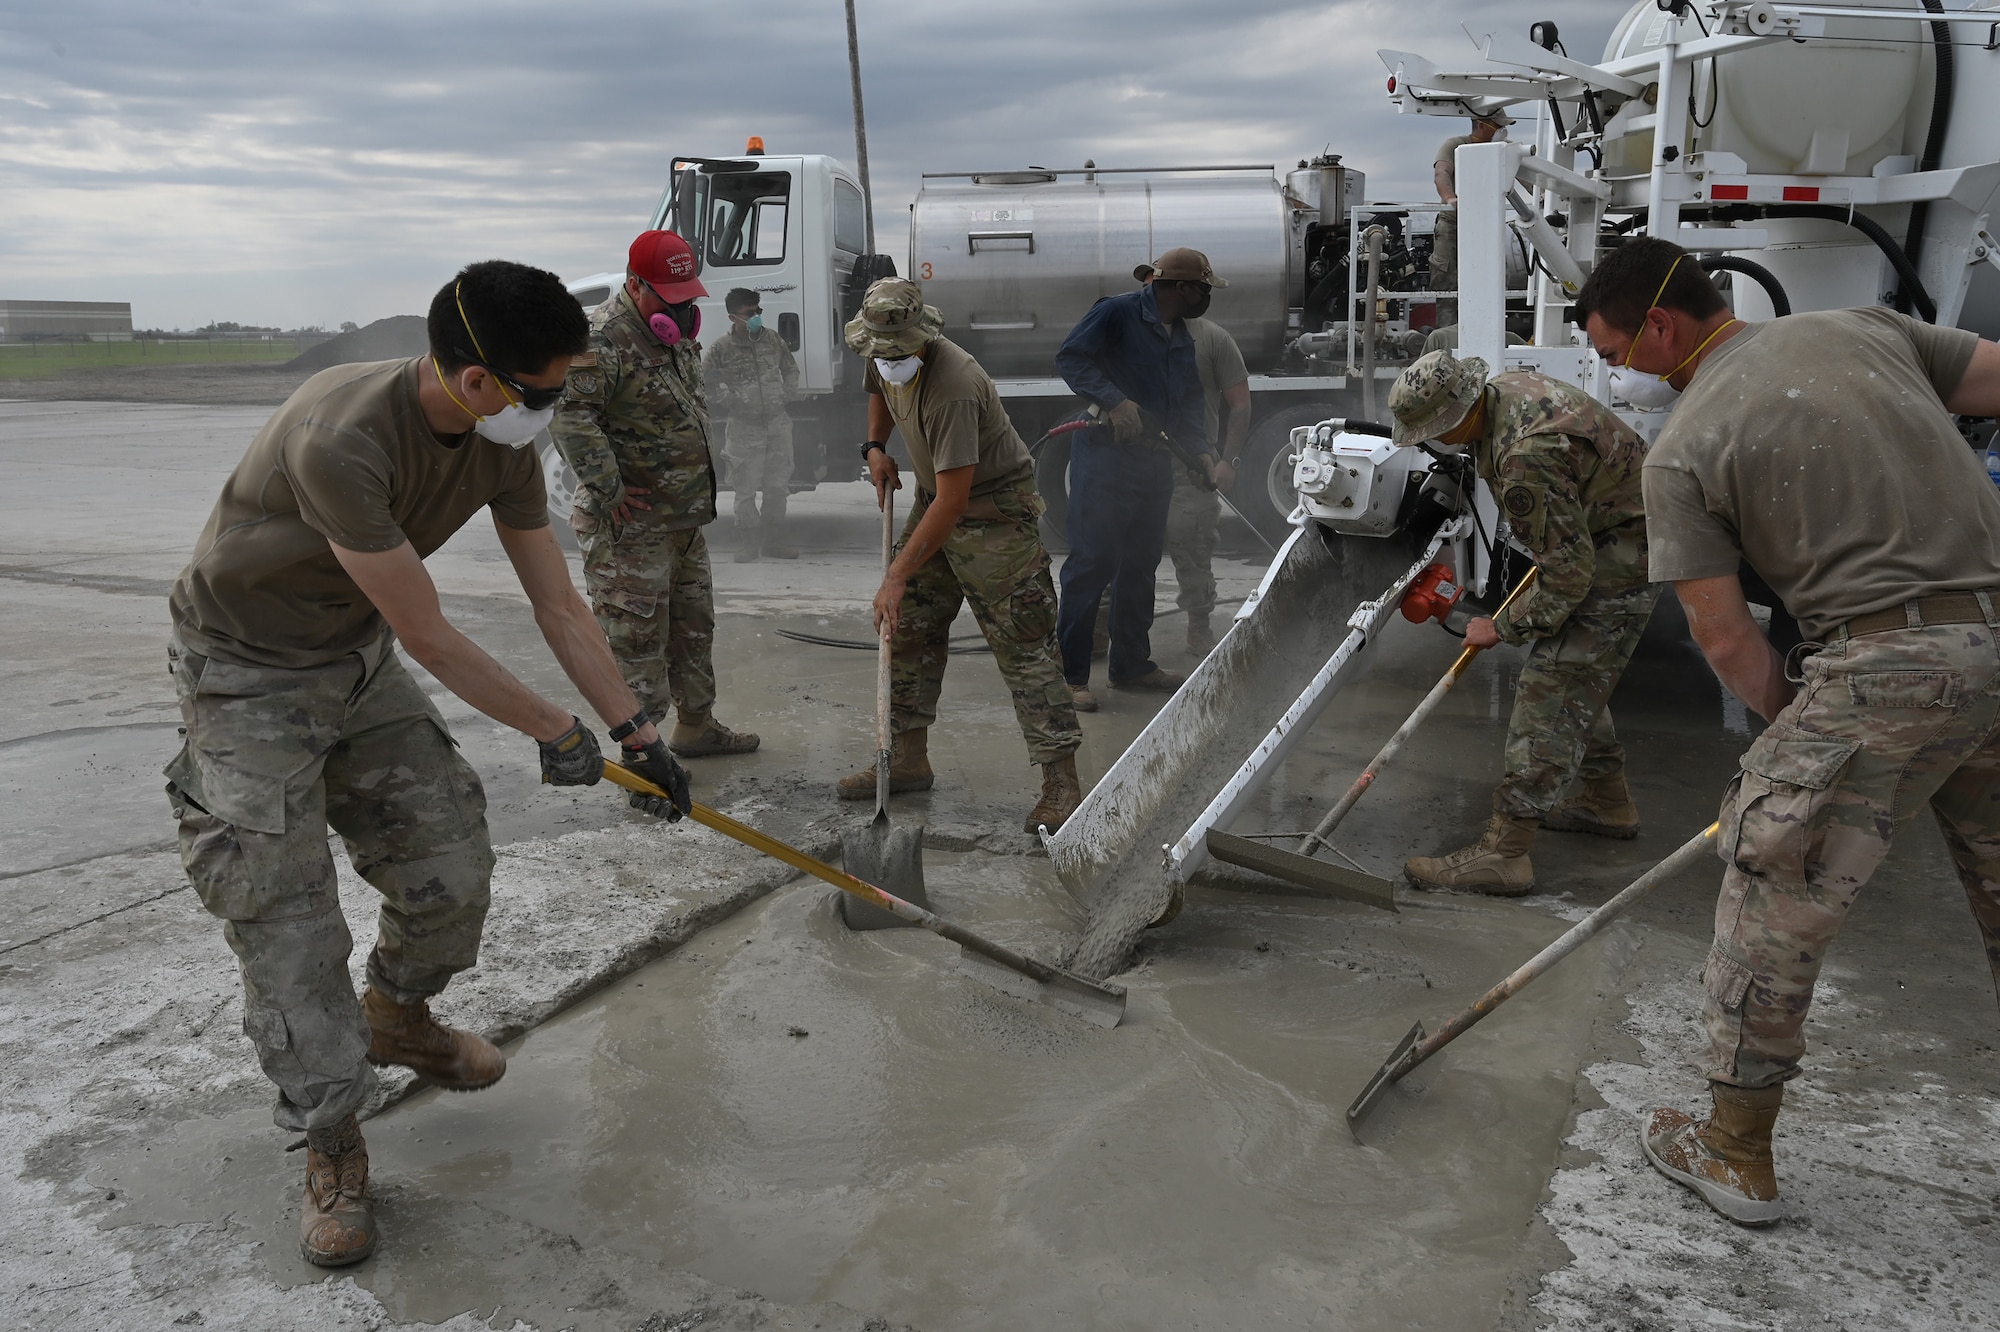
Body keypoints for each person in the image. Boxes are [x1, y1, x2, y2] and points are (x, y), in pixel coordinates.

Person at [163, 259, 693, 1268]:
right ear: (476, 380)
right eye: (545, 389)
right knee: (283, 917)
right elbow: (433, 635)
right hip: (245, 674)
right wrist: (553, 729)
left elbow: (558, 604)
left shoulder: (506, 441)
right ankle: (332, 1145)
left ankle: (398, 1016)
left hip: (352, 661)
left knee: (449, 866)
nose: (558, 405)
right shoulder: (343, 437)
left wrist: (633, 731)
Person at [1574, 236, 2000, 1226]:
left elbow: (1724, 641)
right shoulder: (1866, 330)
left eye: (1618, 352)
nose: (1619, 373)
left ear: (1662, 326)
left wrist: (1800, 741)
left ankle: (1731, 1152)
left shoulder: (1681, 447)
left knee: (1773, 890)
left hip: (1881, 665)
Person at [1390, 348, 1657, 896]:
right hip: (1613, 533)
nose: (1432, 441)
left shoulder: (1523, 455)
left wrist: (1502, 627)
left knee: (1550, 690)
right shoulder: (1507, 392)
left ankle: (1506, 853)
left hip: (1621, 554)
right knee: (1581, 678)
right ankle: (1609, 803)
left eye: (1431, 431)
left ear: (1454, 417)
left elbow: (1569, 575)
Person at [839, 277, 1084, 833]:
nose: (889, 359)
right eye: (882, 352)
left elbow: (954, 502)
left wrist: (895, 576)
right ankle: (906, 759)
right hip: (936, 503)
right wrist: (876, 448)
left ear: (922, 336)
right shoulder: (881, 347)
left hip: (992, 516)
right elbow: (879, 388)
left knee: (1025, 648)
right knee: (905, 629)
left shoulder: (954, 385)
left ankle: (1062, 784)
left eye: (900, 351)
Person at [551, 230, 759, 759]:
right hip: (631, 528)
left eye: (688, 294)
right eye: (671, 296)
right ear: (636, 285)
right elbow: (571, 418)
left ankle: (696, 727)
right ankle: (642, 756)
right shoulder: (599, 338)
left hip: (681, 521)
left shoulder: (672, 334)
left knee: (693, 629)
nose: (684, 307)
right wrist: (608, 487)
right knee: (637, 642)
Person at [1054, 247, 1225, 707]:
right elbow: (1072, 358)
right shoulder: (1117, 312)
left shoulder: (1182, 336)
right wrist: (1114, 400)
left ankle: (1130, 665)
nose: (1207, 298)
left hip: (1153, 463)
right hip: (1105, 458)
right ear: (1182, 288)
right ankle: (1069, 677)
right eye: (1205, 289)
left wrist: (1203, 454)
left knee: (1141, 564)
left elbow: (1187, 403)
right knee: (1093, 563)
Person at [702, 287, 801, 563]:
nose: (756, 316)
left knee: (777, 487)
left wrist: (787, 392)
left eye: (758, 311)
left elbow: (790, 368)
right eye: (750, 313)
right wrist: (725, 397)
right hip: (744, 428)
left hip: (777, 424)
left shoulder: (772, 340)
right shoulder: (721, 348)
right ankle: (748, 544)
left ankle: (773, 541)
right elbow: (704, 380)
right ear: (734, 317)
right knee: (745, 490)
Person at [1430, 109, 1510, 322]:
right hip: (1453, 222)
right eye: (1498, 126)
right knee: (1446, 278)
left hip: (1486, 224)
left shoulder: (1505, 150)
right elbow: (1442, 173)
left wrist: (1543, 199)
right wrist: (1450, 199)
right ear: (1482, 125)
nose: (1504, 131)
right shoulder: (1455, 145)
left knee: (1494, 277)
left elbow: (1528, 178)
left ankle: (1488, 328)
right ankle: (1446, 336)